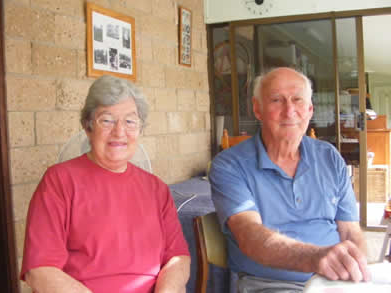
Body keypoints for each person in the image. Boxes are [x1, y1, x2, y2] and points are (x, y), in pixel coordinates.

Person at [20, 75, 190, 293]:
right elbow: (40, 270)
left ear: (140, 129)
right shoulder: (59, 181)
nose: (119, 132)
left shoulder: (157, 189)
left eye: (130, 121)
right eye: (107, 120)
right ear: (88, 126)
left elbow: (178, 258)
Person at [209, 67, 369, 292]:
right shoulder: (230, 165)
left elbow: (350, 231)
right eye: (276, 100)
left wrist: (358, 270)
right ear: (257, 109)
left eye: (298, 100)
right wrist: (316, 257)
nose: (289, 111)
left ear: (310, 109)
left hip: (333, 282)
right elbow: (250, 236)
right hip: (269, 284)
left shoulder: (329, 157)